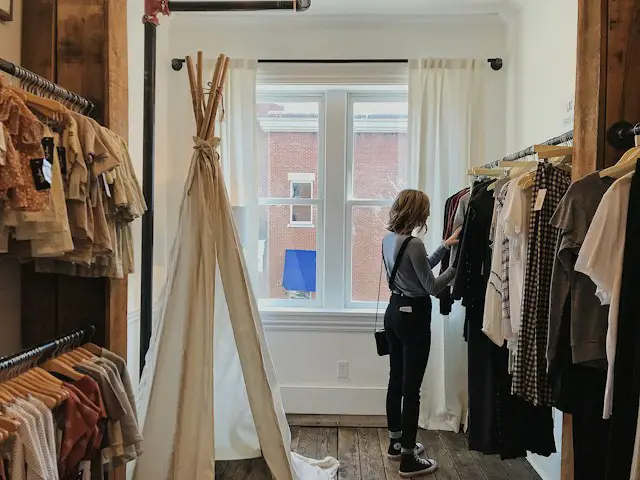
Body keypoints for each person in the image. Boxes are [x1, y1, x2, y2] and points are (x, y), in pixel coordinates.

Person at [381, 189, 460, 477]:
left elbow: (417, 269)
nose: (427, 215)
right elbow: (431, 285)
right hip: (414, 318)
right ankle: (408, 458)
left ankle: (395, 443)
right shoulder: (413, 243)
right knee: (411, 389)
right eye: (425, 210)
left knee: (396, 379)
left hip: (394, 313)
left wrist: (444, 245)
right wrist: (456, 267)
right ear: (415, 212)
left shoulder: (389, 239)